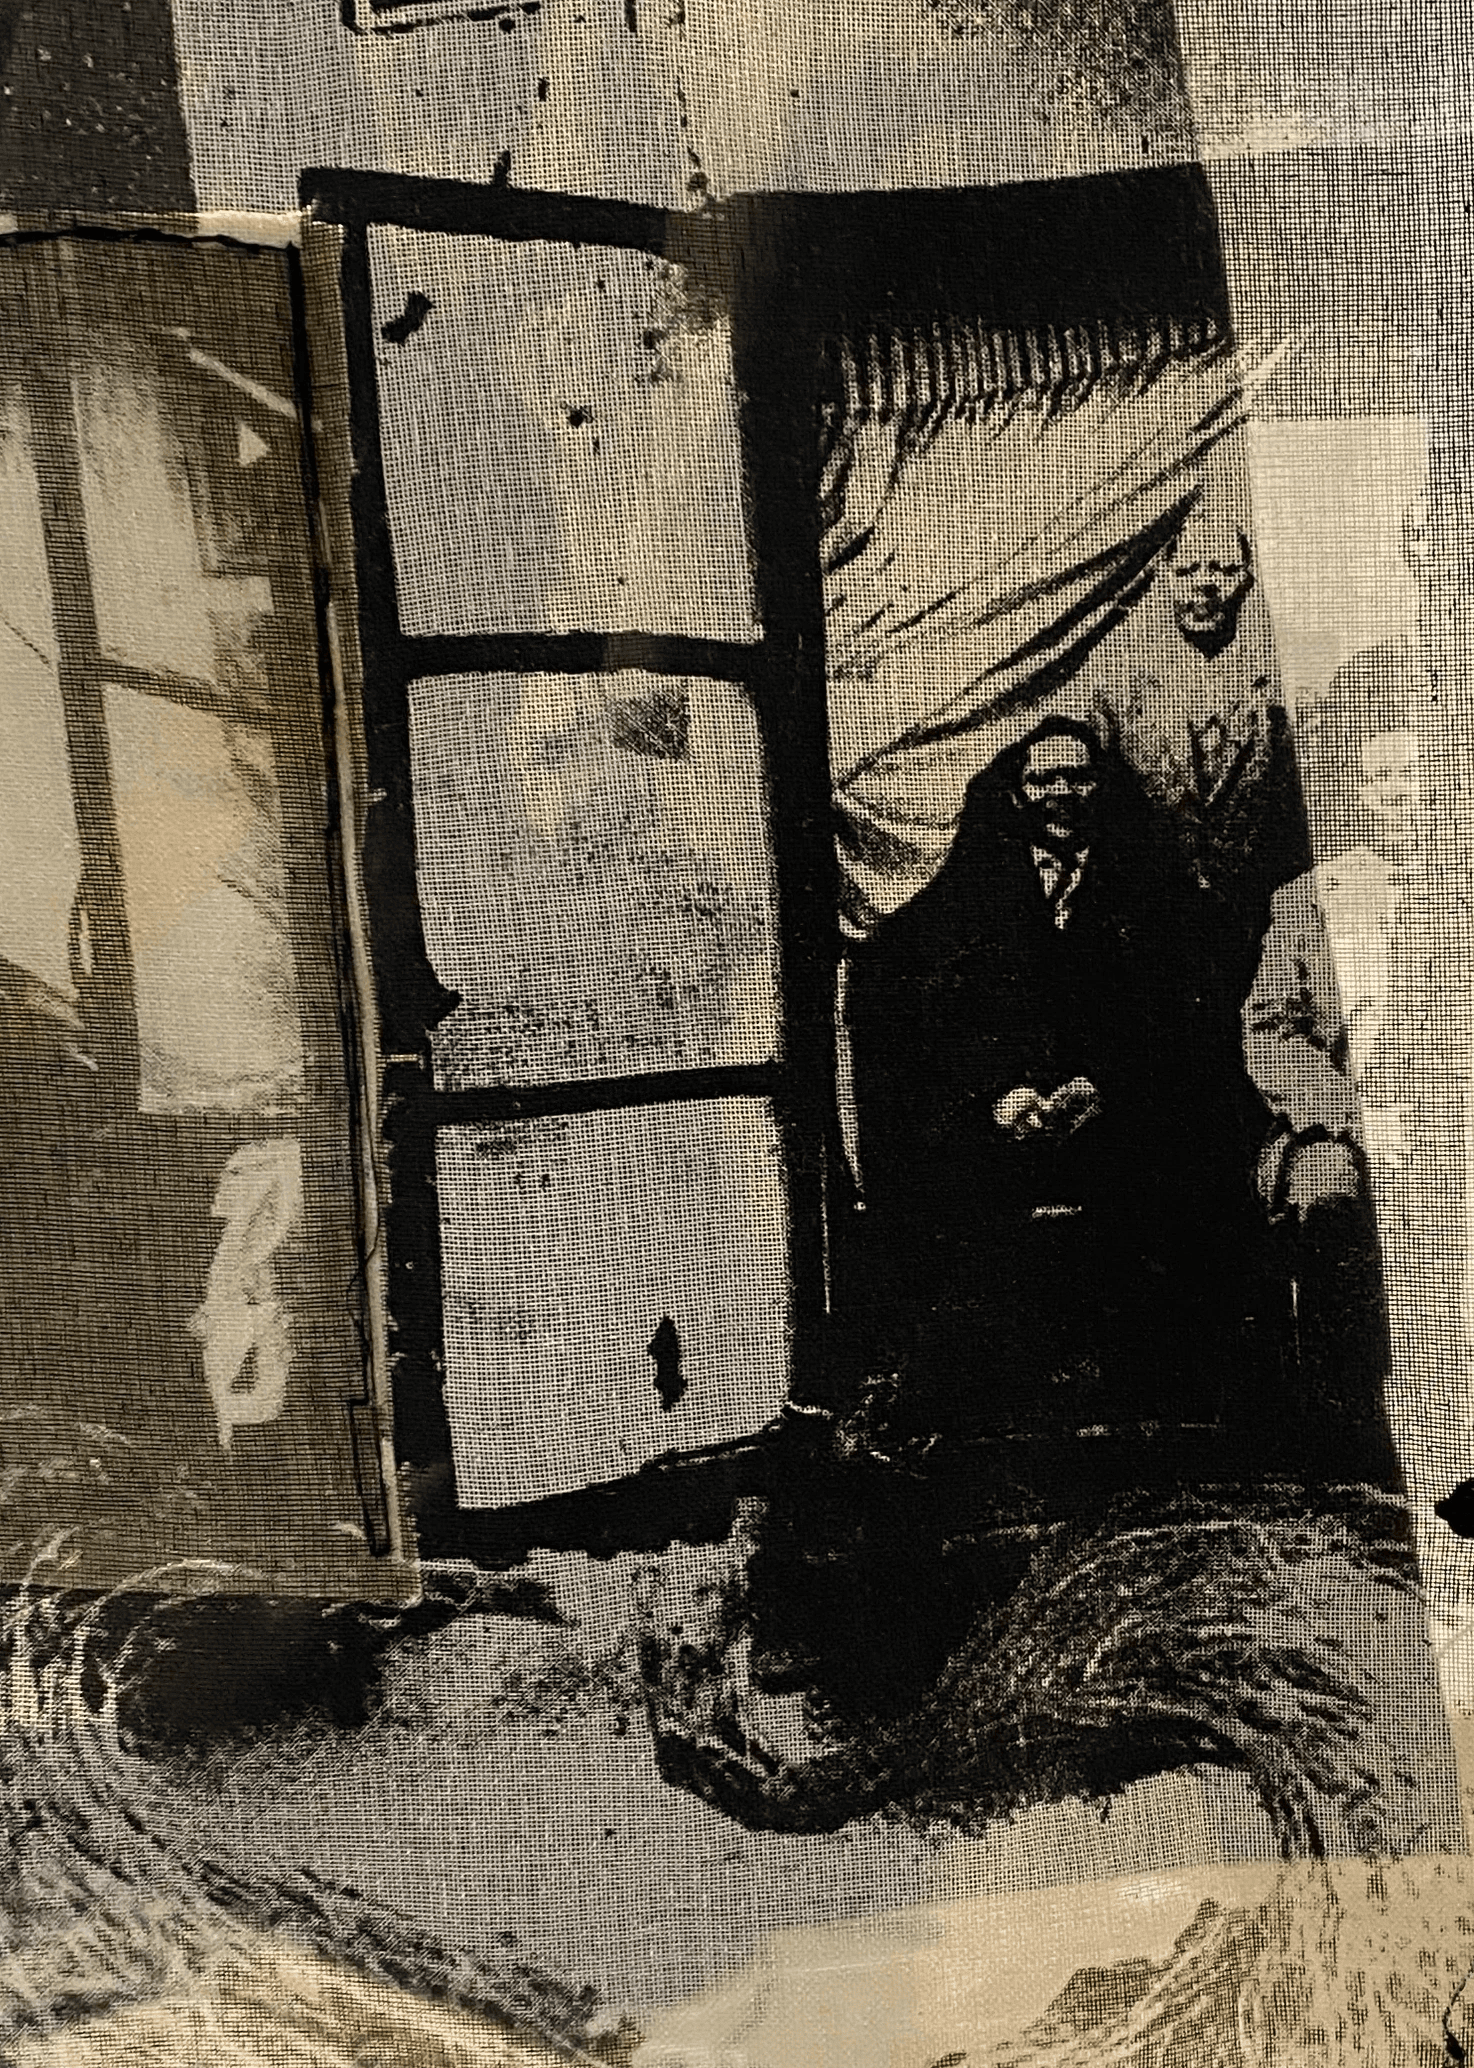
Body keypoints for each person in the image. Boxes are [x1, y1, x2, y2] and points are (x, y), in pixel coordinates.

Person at [841, 714, 1281, 1458]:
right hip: (1003, 1118)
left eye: (1078, 777)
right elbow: (933, 1012)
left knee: (1176, 1170)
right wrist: (998, 1093)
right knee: (951, 1193)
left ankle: (1161, 1397)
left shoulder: (1151, 883)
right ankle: (974, 1402)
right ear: (1017, 792)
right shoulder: (971, 885)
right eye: (1044, 779)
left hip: (1120, 1113)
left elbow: (1184, 1011)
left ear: (1101, 787)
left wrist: (1107, 1082)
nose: (1062, 794)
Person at [1243, 706, 1434, 1490]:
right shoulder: (1312, 897)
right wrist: (1356, 1118)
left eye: (1413, 774)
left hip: (1450, 1115)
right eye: (1382, 777)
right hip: (1343, 1124)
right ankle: (1349, 1433)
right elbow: (1270, 1033)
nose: (1400, 792)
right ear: (1358, 793)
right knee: (1326, 1191)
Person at [1090, 510, 1312, 991]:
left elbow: (1301, 817)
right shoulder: (1115, 686)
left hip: (1249, 930)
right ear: (1162, 575)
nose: (1204, 585)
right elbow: (1101, 807)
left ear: (1248, 578)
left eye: (1224, 570)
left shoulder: (1284, 686)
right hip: (1143, 930)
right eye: (1187, 569)